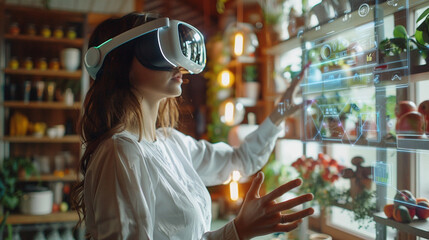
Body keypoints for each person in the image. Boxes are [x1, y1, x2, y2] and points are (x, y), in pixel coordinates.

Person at [71, 12, 314, 240]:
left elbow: (240, 160)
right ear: (119, 63)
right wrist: (236, 231)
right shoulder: (120, 154)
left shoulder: (171, 142)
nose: (178, 63)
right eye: (159, 46)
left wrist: (281, 111)